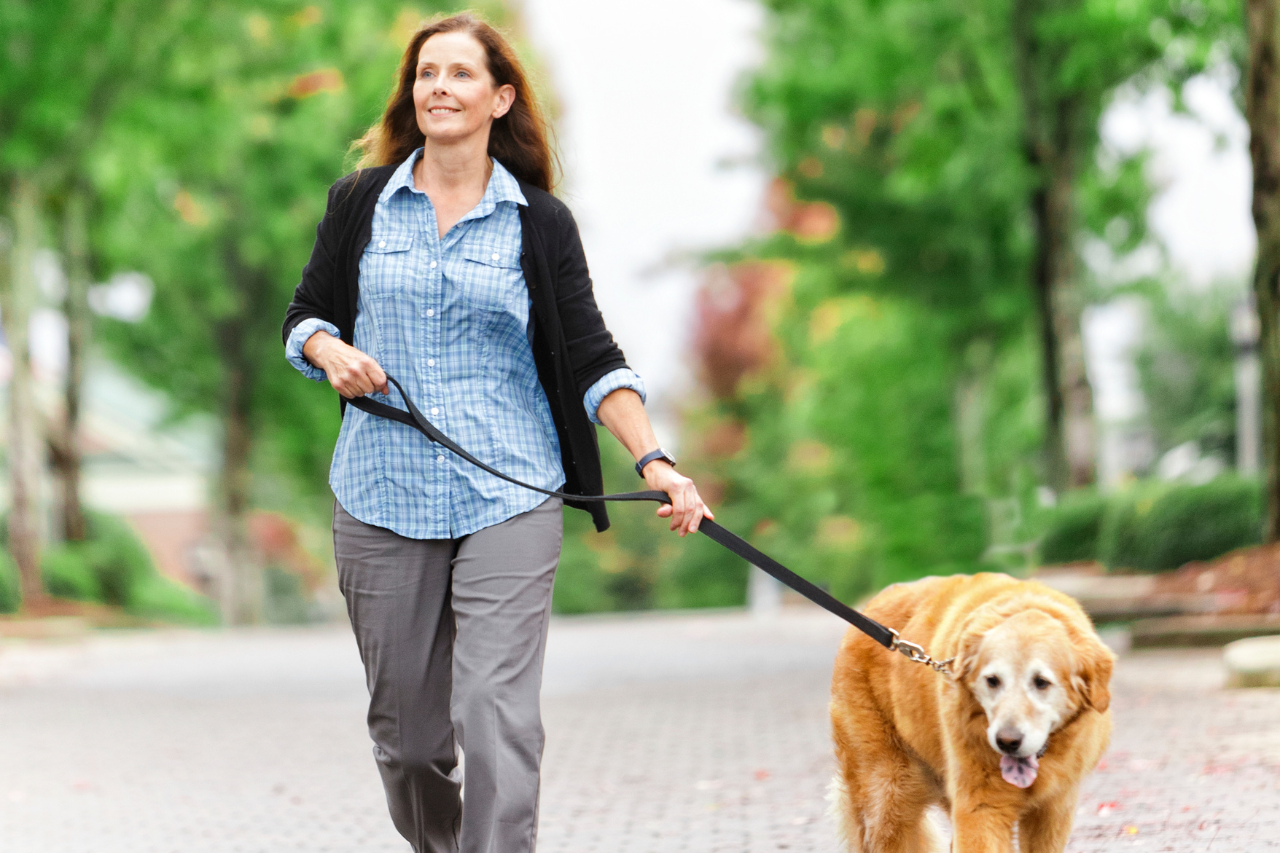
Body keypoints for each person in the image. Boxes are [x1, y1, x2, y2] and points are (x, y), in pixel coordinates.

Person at [280, 12, 712, 853]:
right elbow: (306, 315)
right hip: (380, 490)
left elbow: (592, 356)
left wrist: (654, 458)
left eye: (460, 73)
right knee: (409, 744)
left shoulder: (538, 223)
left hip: (509, 492)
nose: (438, 87)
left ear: (500, 98)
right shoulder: (360, 202)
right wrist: (328, 349)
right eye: (426, 73)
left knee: (494, 714)